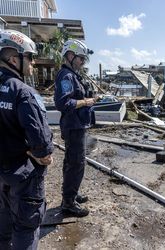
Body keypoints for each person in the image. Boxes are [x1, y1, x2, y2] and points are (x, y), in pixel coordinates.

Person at [0, 29, 54, 249]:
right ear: (14, 59)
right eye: (30, 57)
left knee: (3, 228)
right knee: (26, 229)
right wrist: (40, 153)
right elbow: (42, 145)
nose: (32, 63)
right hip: (22, 177)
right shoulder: (23, 92)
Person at [54, 39, 96, 217]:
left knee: (72, 162)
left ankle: (71, 194)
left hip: (78, 125)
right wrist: (86, 101)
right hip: (73, 126)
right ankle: (68, 203)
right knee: (76, 164)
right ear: (70, 56)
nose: (82, 62)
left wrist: (89, 97)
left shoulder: (73, 75)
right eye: (80, 58)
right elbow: (63, 103)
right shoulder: (66, 76)